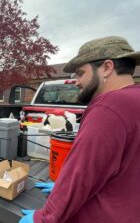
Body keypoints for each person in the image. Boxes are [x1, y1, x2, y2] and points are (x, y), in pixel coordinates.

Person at [20, 36, 140, 223]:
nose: (76, 82)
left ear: (107, 68)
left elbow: (81, 174)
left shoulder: (109, 106)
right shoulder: (135, 99)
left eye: (80, 73)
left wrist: (43, 217)